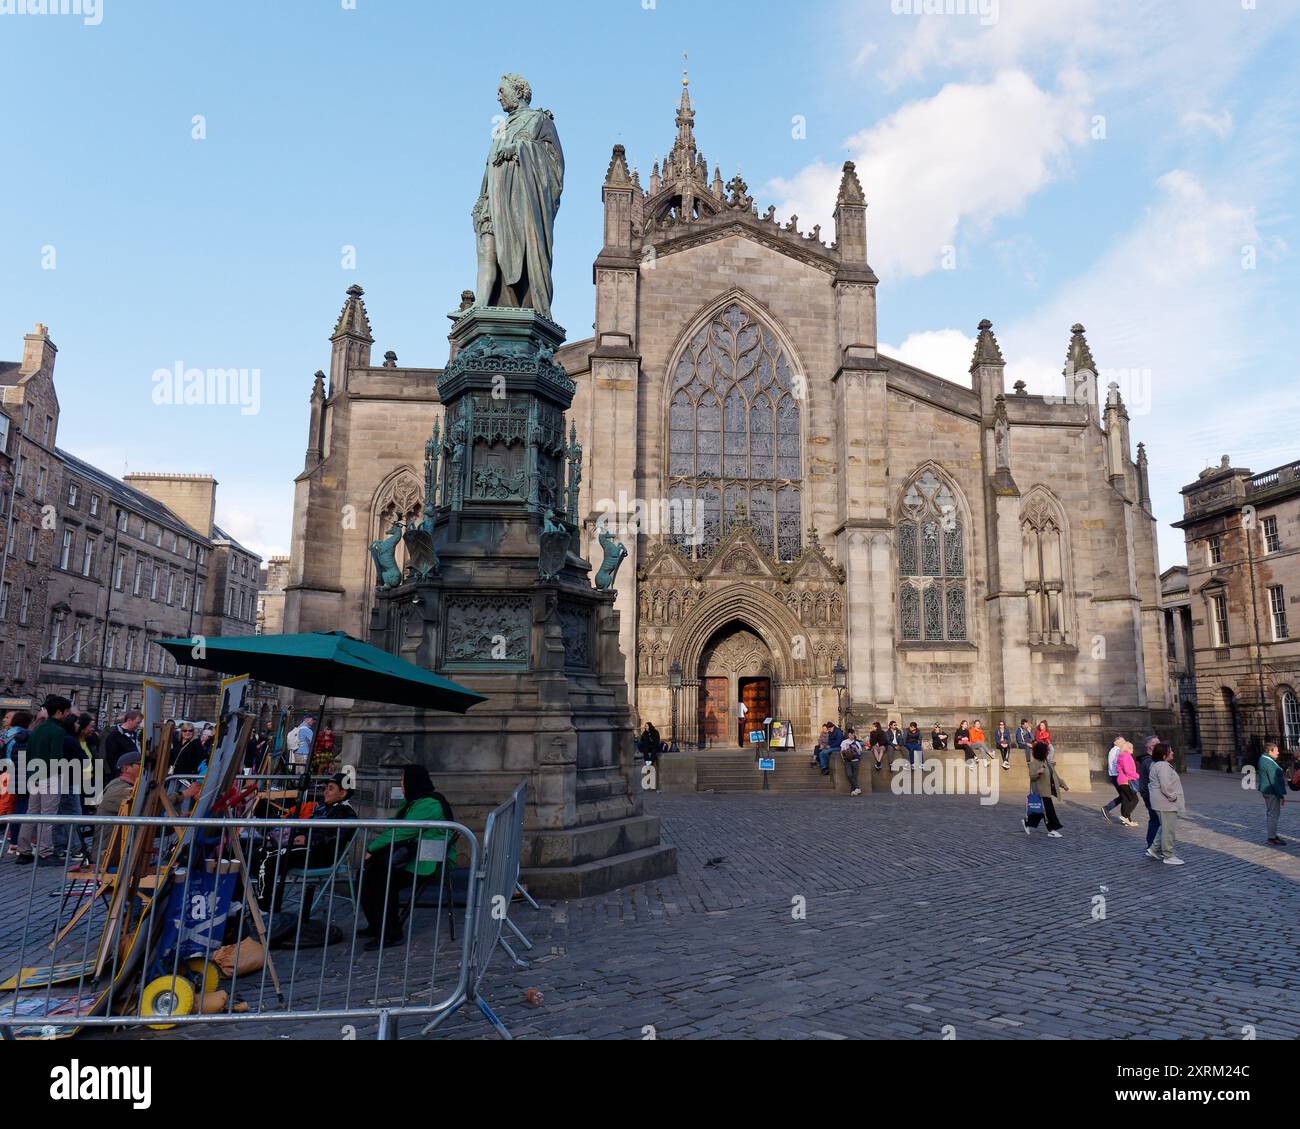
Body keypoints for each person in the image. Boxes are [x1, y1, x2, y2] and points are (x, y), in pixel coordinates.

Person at [359, 765, 455, 950]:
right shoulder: (414, 801)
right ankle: (377, 925)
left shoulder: (429, 804)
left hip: (428, 860)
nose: (401, 783)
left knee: (382, 879)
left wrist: (372, 847)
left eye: (404, 779)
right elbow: (397, 824)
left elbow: (404, 830)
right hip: (415, 854)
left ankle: (391, 933)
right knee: (368, 873)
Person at [254, 773, 359, 914]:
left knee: (269, 858)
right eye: (326, 788)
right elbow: (306, 825)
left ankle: (263, 908)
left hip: (321, 854)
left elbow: (336, 837)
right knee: (258, 853)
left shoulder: (347, 814)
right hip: (305, 849)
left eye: (331, 788)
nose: (326, 791)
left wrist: (308, 838)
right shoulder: (323, 807)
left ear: (343, 793)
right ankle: (258, 900)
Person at [16, 695, 72, 865]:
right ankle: (45, 852)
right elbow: (56, 757)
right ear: (59, 712)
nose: (68, 714)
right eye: (67, 711)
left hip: (34, 774)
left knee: (31, 814)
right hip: (50, 776)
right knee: (48, 817)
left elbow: (29, 752)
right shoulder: (58, 731)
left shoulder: (37, 728)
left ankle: (24, 851)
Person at [93, 752, 141, 870]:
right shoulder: (119, 788)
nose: (144, 768)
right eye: (140, 764)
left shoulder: (125, 786)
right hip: (110, 854)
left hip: (122, 851)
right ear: (126, 768)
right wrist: (183, 794)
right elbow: (142, 803)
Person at [1148, 743, 1185, 865]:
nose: (1173, 752)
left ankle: (1154, 849)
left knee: (1163, 827)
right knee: (1168, 830)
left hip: (1160, 802)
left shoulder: (1157, 764)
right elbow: (1166, 786)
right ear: (1164, 755)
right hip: (1165, 803)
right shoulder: (1163, 766)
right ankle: (1168, 855)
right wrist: (1173, 796)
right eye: (1170, 751)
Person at [1023, 741, 1065, 838]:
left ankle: (1028, 823)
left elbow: (1054, 775)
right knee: (1049, 811)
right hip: (1040, 791)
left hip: (1047, 790)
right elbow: (1032, 777)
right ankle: (1052, 830)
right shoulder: (1034, 763)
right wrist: (1038, 772)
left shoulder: (1046, 762)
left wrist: (1062, 784)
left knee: (1041, 812)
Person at [3, 711, 32, 852]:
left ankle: (13, 840)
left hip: (8, 773)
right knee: (20, 808)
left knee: (12, 808)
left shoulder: (6, 734)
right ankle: (16, 841)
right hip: (19, 773)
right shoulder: (24, 735)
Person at [1258, 742, 1288, 847]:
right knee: (1273, 815)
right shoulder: (1268, 762)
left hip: (1269, 791)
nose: (1278, 752)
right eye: (1276, 750)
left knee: (1273, 814)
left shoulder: (1265, 759)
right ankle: (1272, 838)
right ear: (1270, 751)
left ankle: (1273, 835)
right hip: (1271, 792)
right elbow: (1273, 781)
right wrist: (1280, 796)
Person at [1135, 737, 1160, 853]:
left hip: (1149, 794)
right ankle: (1152, 846)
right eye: (1158, 744)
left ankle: (1152, 845)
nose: (1161, 746)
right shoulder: (1149, 761)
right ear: (1151, 747)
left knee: (1154, 820)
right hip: (1151, 795)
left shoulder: (1149, 760)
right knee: (1156, 821)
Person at [102, 710, 142, 780]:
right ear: (129, 721)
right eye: (137, 723)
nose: (139, 725)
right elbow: (111, 758)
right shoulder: (114, 736)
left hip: (134, 774)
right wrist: (118, 774)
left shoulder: (135, 735)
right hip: (122, 775)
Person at [1102, 736, 1130, 824]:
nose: (1124, 743)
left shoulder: (1114, 750)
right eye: (1122, 741)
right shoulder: (1118, 750)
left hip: (1115, 775)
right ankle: (1123, 816)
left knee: (1124, 796)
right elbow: (1121, 763)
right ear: (1116, 742)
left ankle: (1124, 816)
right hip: (1118, 776)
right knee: (1126, 796)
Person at [1113, 739, 1141, 826]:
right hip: (1125, 780)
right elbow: (1128, 770)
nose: (1133, 751)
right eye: (1132, 749)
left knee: (1126, 799)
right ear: (1128, 748)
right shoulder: (1126, 756)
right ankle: (1125, 816)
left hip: (1122, 780)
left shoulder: (1121, 755)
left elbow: (1119, 769)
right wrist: (1138, 776)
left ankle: (1127, 820)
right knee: (1134, 799)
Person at [840, 728, 864, 797]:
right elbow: (841, 751)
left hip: (856, 761)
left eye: (852, 735)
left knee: (854, 776)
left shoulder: (856, 743)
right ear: (848, 735)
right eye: (850, 735)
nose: (851, 736)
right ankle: (857, 788)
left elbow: (859, 753)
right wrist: (843, 759)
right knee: (849, 775)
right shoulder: (844, 742)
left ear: (854, 735)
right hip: (847, 761)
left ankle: (854, 791)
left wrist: (855, 748)